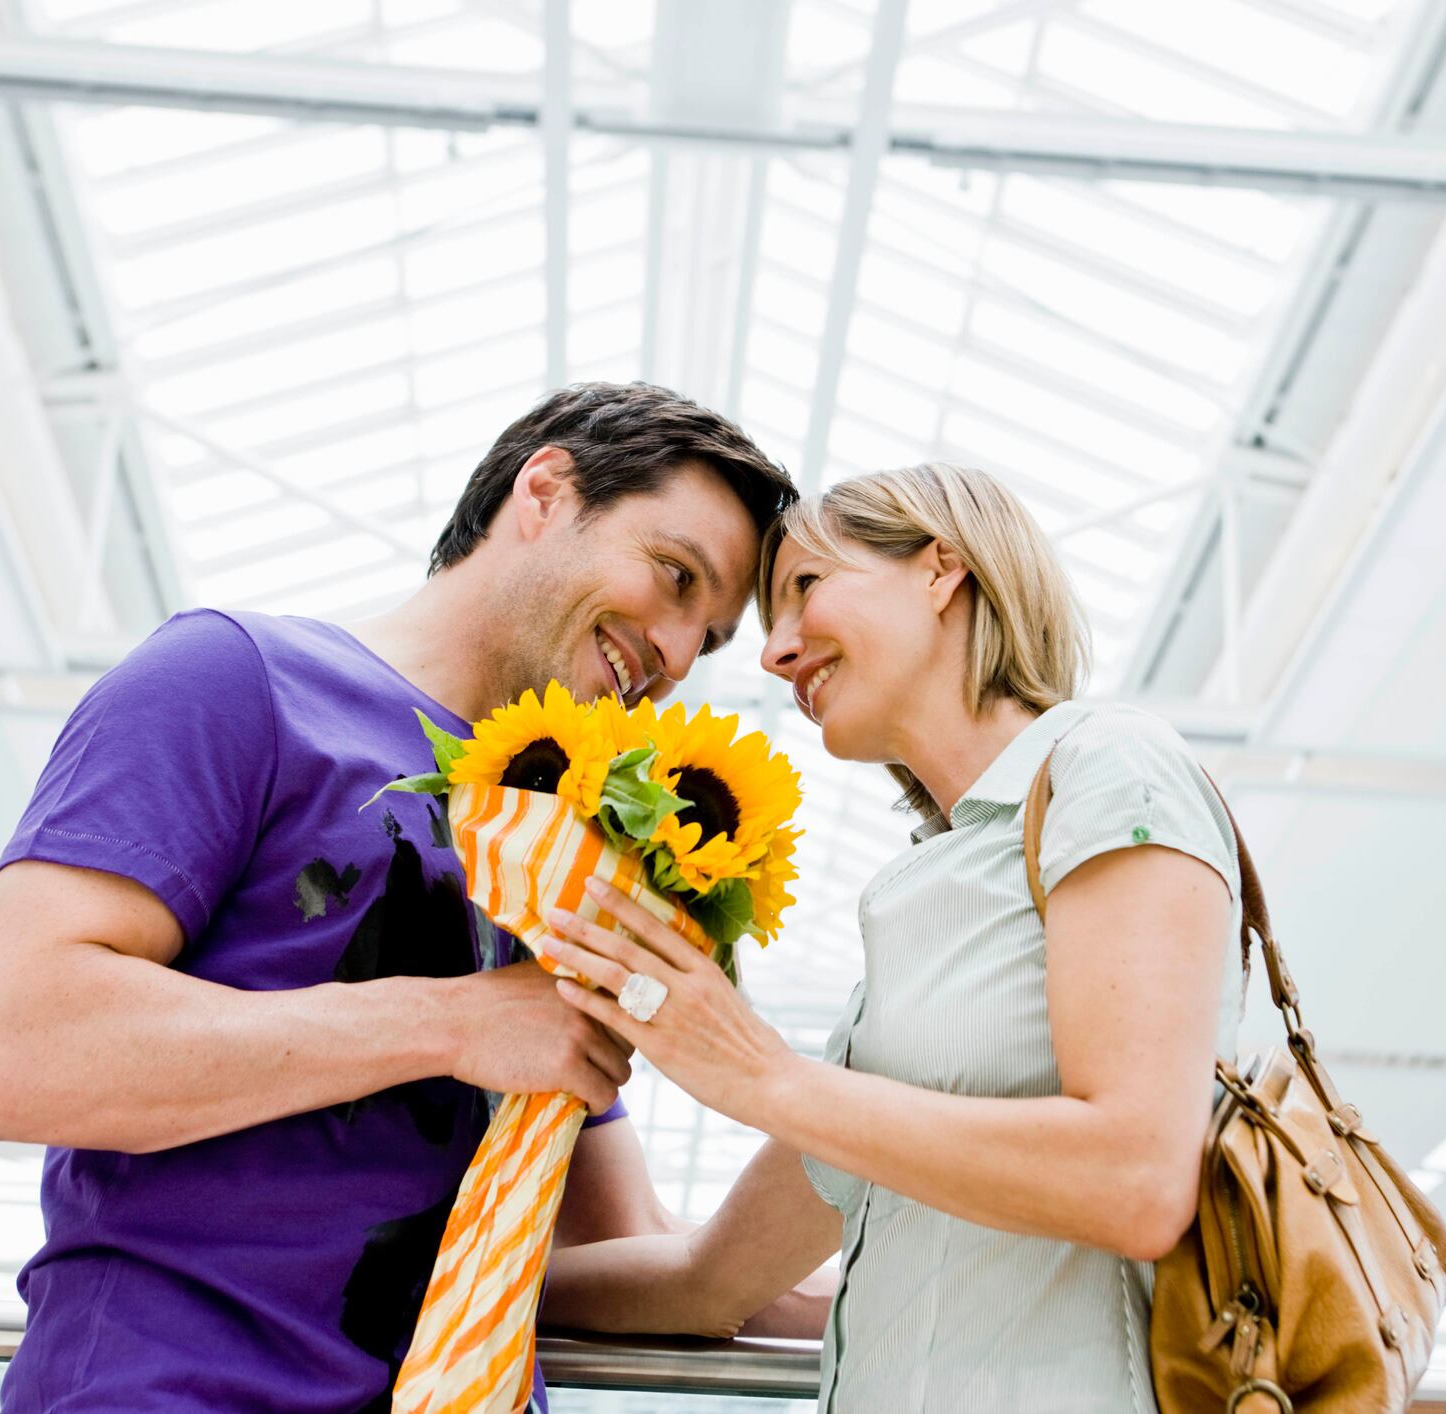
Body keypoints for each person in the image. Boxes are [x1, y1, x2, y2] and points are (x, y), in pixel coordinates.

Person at [0, 383, 824, 1412]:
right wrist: (454, 1023)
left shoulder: (568, 844)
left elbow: (650, 1257)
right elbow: (2, 1056)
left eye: (706, 636)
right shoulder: (236, 678)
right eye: (674, 576)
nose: (673, 653)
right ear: (544, 490)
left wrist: (899, 1109)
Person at [534, 462, 1246, 1412]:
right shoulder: (924, 912)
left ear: (941, 568)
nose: (774, 653)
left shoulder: (1111, 765)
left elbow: (1137, 1180)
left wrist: (762, 1076)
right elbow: (711, 1280)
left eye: (806, 587)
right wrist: (442, 1276)